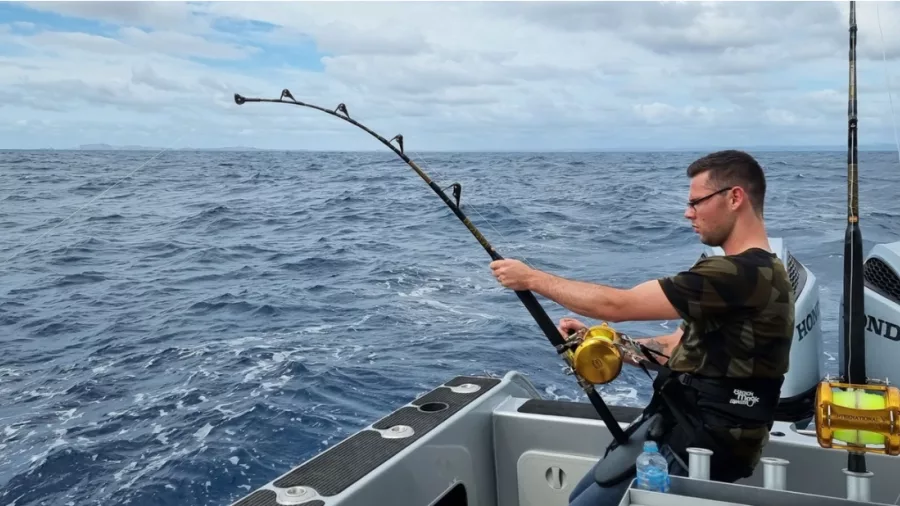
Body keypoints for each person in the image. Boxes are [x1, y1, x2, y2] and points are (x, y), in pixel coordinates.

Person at [490, 150, 795, 506]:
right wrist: (605, 344)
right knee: (579, 496)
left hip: (705, 442)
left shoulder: (741, 273)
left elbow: (618, 305)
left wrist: (530, 278)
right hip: (680, 424)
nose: (688, 212)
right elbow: (677, 346)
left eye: (696, 202)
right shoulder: (750, 273)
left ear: (734, 197)